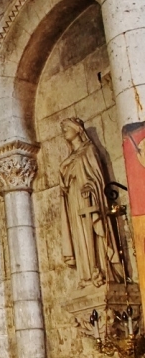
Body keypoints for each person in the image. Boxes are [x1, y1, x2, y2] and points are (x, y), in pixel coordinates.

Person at [60, 117, 123, 287]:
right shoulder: (69, 158)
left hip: (89, 199)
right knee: (80, 236)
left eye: (66, 127)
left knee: (94, 233)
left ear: (78, 129)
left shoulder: (89, 150)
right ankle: (86, 274)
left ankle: (101, 270)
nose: (63, 131)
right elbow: (64, 185)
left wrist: (90, 186)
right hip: (74, 201)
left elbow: (98, 177)